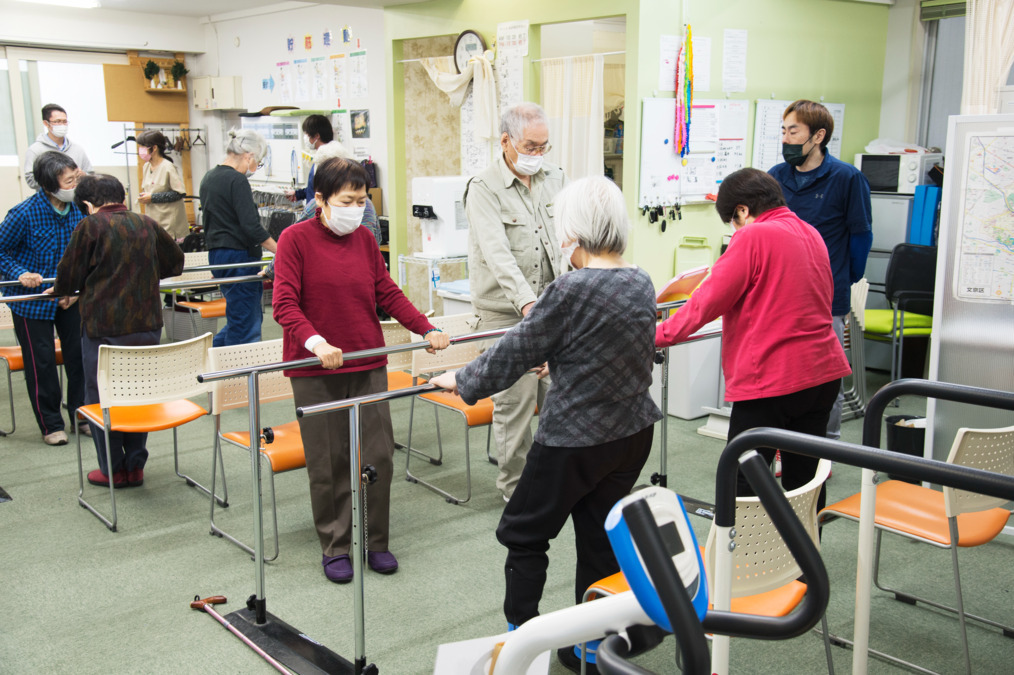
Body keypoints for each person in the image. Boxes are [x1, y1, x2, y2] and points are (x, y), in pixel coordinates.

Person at [431, 176, 661, 674]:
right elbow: (615, 346)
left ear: (573, 234)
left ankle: (521, 642)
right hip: (632, 432)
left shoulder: (570, 287)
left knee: (524, 534)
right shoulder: (641, 280)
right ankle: (592, 641)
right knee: (601, 534)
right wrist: (561, 360)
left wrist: (462, 378)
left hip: (575, 440)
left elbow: (517, 348)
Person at [272, 157, 450, 583]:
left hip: (366, 362)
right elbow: (284, 304)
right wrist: (317, 343)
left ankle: (376, 541)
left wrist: (426, 328)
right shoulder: (294, 240)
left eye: (362, 198)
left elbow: (386, 292)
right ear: (320, 199)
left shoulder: (365, 241)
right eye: (347, 200)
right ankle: (335, 545)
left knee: (378, 456)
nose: (357, 207)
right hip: (315, 370)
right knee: (329, 461)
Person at [656, 168, 851, 511]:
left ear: (742, 211)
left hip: (774, 380)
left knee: (744, 477)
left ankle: (747, 562)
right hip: (822, 375)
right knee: (804, 480)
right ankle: (803, 559)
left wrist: (657, 335)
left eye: (732, 220)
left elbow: (707, 302)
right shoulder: (811, 232)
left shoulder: (752, 236)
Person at [49, 174, 184, 488]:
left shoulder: (91, 226)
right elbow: (175, 263)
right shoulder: (146, 222)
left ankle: (112, 469)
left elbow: (67, 278)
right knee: (138, 394)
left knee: (102, 398)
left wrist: (79, 286)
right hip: (147, 325)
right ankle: (135, 466)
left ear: (87, 204)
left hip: (104, 328)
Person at [463, 102, 567, 501]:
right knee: (517, 405)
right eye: (530, 146)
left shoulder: (555, 178)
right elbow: (498, 255)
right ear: (505, 140)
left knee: (560, 397)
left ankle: (555, 481)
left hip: (549, 307)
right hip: (506, 313)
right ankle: (516, 492)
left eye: (544, 147)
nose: (537, 155)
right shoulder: (484, 188)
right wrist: (531, 311)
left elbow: (568, 240)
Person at [768, 99, 872, 441]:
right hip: (781, 296)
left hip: (827, 298)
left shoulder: (847, 178)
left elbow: (860, 236)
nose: (786, 138)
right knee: (783, 376)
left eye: (793, 130)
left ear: (818, 136)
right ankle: (784, 444)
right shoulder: (776, 178)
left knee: (825, 379)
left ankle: (826, 446)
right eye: (783, 130)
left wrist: (845, 279)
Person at [0, 152, 86, 445]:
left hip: (68, 296)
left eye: (76, 178)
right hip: (30, 298)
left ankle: (81, 415)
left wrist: (75, 291)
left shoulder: (79, 210)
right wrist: (20, 272)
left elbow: (86, 254)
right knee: (42, 361)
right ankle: (51, 424)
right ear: (49, 185)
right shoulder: (23, 214)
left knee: (79, 355)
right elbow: (1, 251)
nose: (74, 184)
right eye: (68, 181)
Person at [198, 128, 277, 346]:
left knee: (240, 317)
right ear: (249, 155)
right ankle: (238, 374)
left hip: (218, 254)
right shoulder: (237, 180)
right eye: (258, 162)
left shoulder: (209, 177)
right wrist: (282, 250)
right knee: (247, 322)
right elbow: (251, 227)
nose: (255, 167)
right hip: (238, 256)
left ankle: (213, 355)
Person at [23, 104, 93, 192]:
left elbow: (90, 174)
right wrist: (57, 180)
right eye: (57, 121)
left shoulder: (77, 149)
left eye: (64, 121)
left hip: (75, 200)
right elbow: (31, 180)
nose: (62, 125)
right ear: (46, 123)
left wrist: (83, 175)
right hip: (48, 200)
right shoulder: (35, 150)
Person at [136, 129, 189, 241]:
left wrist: (153, 197)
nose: (140, 150)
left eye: (143, 147)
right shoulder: (146, 167)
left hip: (169, 225)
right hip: (153, 221)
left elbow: (179, 193)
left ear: (154, 148)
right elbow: (150, 188)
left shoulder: (168, 167)